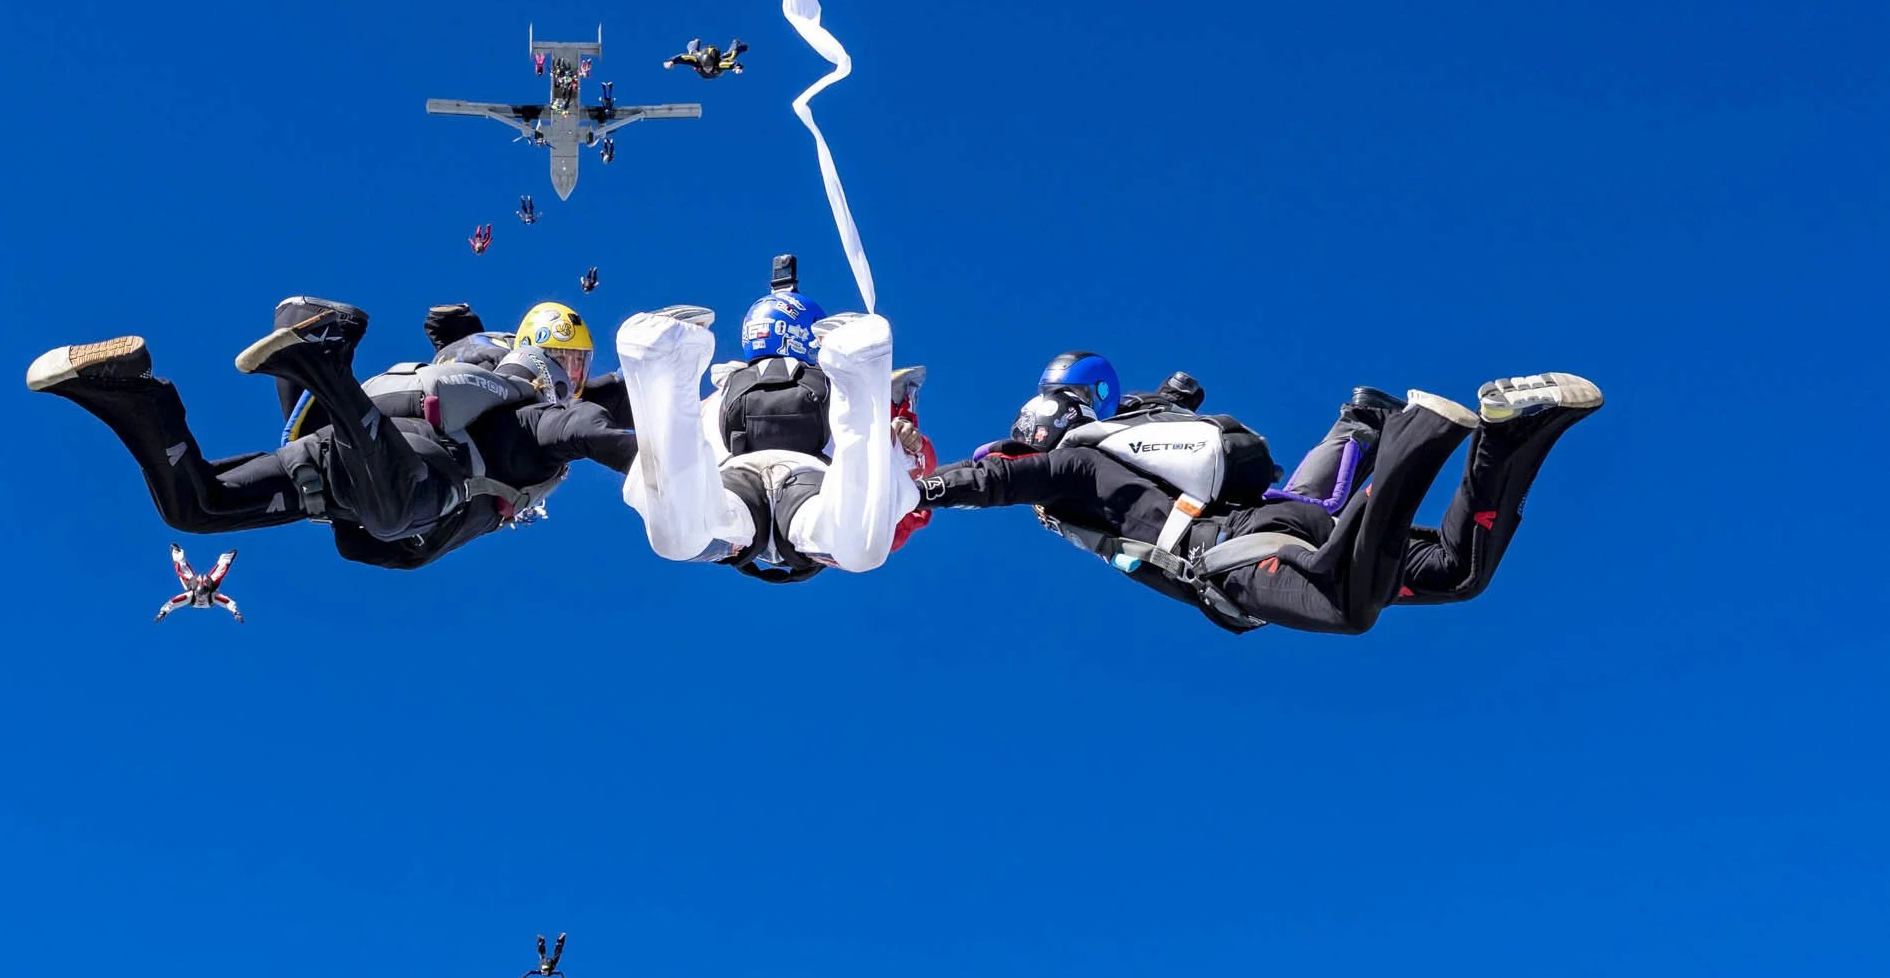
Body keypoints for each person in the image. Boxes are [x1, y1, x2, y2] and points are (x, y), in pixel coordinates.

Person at [918, 363, 1601, 634]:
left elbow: (995, 481)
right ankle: (1511, 435)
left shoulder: (1072, 467)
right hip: (1291, 523)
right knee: (1458, 572)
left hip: (1238, 555)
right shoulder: (1121, 447)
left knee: (1347, 607)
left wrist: (917, 490)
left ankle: (1418, 432)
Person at [25, 298, 636, 571]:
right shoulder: (536, 419)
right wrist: (661, 469)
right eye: (574, 363)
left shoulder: (480, 369)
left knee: (195, 508)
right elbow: (588, 428)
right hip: (398, 470)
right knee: (396, 513)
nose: (577, 376)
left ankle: (131, 393)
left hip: (343, 465)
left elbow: (602, 403)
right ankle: (324, 357)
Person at [616, 256, 931, 583]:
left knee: (680, 533)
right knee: (861, 546)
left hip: (737, 483)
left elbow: (678, 451)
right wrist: (910, 446)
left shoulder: (724, 391)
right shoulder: (826, 388)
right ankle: (859, 371)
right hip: (812, 485)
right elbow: (900, 466)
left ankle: (665, 364)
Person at [154, 545, 243, 623]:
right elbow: (174, 602)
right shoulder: (203, 595)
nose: (201, 598)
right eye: (200, 595)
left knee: (184, 572)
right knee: (217, 573)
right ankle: (226, 558)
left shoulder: (196, 594)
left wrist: (162, 613)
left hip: (200, 591)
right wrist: (236, 612)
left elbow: (174, 602)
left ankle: (177, 553)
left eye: (203, 595)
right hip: (201, 592)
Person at [664, 38, 747, 79]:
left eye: (709, 66)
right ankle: (695, 42)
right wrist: (671, 61)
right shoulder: (697, 60)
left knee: (730, 56)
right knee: (692, 53)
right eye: (706, 66)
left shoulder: (719, 64)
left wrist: (737, 68)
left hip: (715, 57)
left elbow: (732, 63)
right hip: (701, 55)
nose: (708, 69)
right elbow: (682, 57)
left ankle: (737, 44)